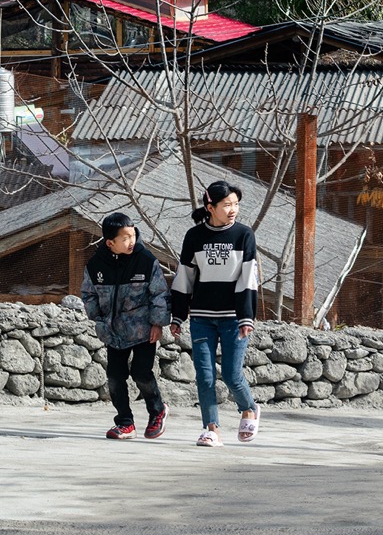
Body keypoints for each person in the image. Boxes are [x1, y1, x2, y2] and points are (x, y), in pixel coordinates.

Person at [170, 180, 260, 447]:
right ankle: (211, 429)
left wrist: (246, 316)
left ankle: (249, 409)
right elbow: (184, 277)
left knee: (232, 375)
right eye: (226, 205)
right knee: (205, 376)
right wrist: (177, 315)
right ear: (210, 207)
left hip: (233, 318)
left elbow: (248, 279)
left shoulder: (244, 235)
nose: (233, 209)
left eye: (236, 204)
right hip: (201, 317)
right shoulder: (194, 237)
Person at [81, 210, 170, 440]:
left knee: (141, 373)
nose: (131, 241)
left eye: (132, 235)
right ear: (110, 243)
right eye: (125, 238)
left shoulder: (146, 261)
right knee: (114, 377)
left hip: (143, 331)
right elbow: (88, 294)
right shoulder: (95, 265)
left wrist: (158, 323)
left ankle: (157, 411)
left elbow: (160, 295)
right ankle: (125, 422)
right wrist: (99, 319)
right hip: (113, 333)